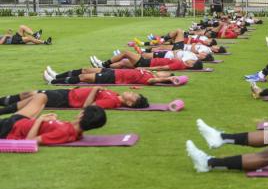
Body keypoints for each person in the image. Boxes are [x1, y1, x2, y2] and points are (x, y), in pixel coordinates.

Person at [0, 93, 106, 145]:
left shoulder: (64, 132)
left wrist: (39, 120)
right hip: (22, 121)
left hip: (9, 128)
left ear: (81, 116)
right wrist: (53, 119)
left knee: (40, 98)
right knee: (41, 97)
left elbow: (30, 141)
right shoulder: (74, 130)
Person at [0, 85, 149, 115]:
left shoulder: (113, 102)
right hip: (68, 93)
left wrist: (95, 89)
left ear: (129, 103)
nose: (130, 93)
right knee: (30, 94)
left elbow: (87, 106)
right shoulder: (115, 95)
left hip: (65, 99)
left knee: (32, 97)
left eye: (133, 96)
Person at [42, 66, 178, 86]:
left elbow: (154, 80)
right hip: (113, 71)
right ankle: (57, 75)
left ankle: (53, 82)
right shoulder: (148, 72)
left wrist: (167, 79)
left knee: (84, 78)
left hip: (114, 78)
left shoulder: (150, 78)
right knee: (85, 69)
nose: (163, 72)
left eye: (165, 74)